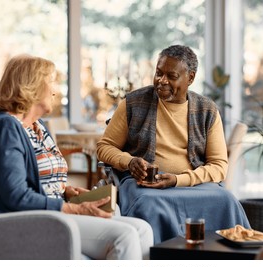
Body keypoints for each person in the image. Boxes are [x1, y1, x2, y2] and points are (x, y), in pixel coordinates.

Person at [0, 54, 153, 260]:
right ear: (31, 85)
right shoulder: (6, 127)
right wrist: (73, 208)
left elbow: (39, 179)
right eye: (51, 82)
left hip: (48, 213)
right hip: (25, 220)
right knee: (124, 236)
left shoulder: (37, 126)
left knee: (142, 229)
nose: (55, 91)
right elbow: (16, 196)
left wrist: (66, 190)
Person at [96, 45, 250, 244]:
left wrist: (178, 180)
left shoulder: (207, 110)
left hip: (194, 184)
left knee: (227, 201)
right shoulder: (133, 103)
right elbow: (104, 147)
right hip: (145, 187)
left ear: (191, 78)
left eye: (171, 76)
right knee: (147, 205)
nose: (162, 81)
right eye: (158, 73)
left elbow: (219, 167)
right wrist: (129, 161)